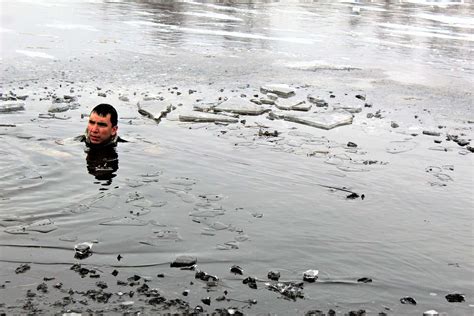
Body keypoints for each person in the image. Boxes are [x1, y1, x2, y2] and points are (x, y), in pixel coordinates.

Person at [76, 103, 126, 183]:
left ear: (113, 130)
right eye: (91, 123)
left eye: (101, 125)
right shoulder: (77, 141)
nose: (94, 130)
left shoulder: (125, 146)